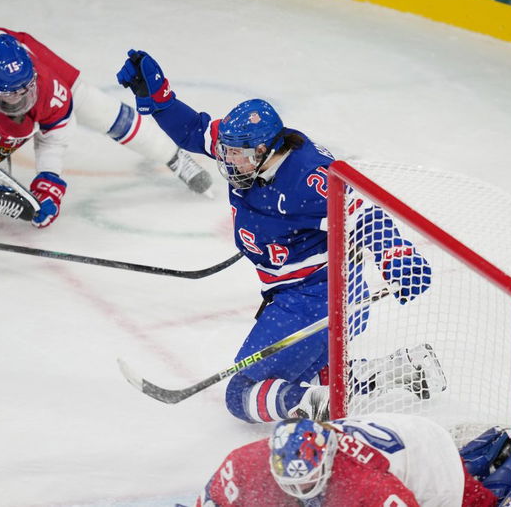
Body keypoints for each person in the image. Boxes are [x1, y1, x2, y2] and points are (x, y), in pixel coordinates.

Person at [116, 50, 434, 424]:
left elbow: (363, 211)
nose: (229, 162)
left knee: (242, 394)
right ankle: (398, 369)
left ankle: (318, 407)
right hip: (308, 294)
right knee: (308, 375)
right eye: (227, 153)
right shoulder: (246, 147)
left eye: (238, 156)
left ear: (265, 150)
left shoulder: (308, 177)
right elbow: (194, 131)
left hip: (320, 299)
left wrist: (396, 254)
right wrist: (160, 100)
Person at [0, 20, 212, 229]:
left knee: (97, 107)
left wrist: (49, 182)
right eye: (10, 96)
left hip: (12, 48)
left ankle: (173, 156)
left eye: (26, 90)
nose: (22, 101)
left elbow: (54, 133)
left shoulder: (44, 82)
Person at [194, 413, 511, 507]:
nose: (300, 489)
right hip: (392, 445)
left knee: (480, 504)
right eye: (293, 482)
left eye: (307, 480)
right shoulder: (245, 462)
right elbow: (212, 500)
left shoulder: (364, 485)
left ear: (327, 459)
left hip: (425, 457)